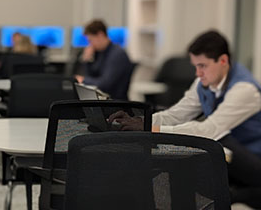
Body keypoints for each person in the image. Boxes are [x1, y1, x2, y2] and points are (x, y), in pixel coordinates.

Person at [111, 30, 261, 187]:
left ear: (223, 60)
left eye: (202, 66)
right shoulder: (203, 82)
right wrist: (139, 121)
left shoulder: (245, 90)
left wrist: (149, 128)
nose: (198, 73)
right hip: (229, 153)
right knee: (178, 165)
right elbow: (176, 115)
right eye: (196, 66)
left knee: (216, 139)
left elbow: (208, 130)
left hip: (254, 161)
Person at [75, 19, 132, 99]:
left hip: (115, 102)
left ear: (100, 35)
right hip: (103, 99)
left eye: (91, 40)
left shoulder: (117, 55)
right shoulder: (100, 52)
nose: (90, 44)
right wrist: (87, 60)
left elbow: (105, 84)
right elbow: (91, 76)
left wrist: (83, 80)